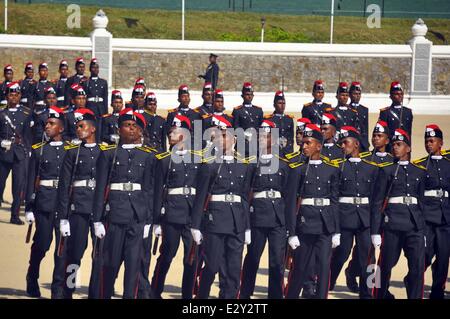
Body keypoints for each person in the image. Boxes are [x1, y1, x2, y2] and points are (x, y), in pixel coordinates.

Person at [92, 108, 156, 299]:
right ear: (119, 129)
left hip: (137, 217)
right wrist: (97, 220)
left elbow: (149, 191)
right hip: (114, 215)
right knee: (109, 264)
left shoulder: (147, 156)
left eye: (135, 127)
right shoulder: (109, 154)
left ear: (140, 132)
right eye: (127, 125)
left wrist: (148, 221)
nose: (131, 129)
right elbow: (100, 188)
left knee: (134, 266)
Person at [190, 125, 253, 299]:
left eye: (226, 136)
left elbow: (244, 197)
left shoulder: (244, 166)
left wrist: (247, 226)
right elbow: (200, 197)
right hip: (215, 221)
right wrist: (195, 226)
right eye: (218, 137)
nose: (222, 139)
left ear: (234, 139)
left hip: (237, 222)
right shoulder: (208, 165)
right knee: (211, 266)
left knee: (233, 269)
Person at [284, 123, 340, 299]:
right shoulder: (297, 170)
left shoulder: (331, 169)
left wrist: (336, 230)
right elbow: (291, 203)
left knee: (324, 267)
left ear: (319, 146)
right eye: (304, 143)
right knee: (300, 267)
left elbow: (334, 201)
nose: (304, 146)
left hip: (325, 226)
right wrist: (291, 233)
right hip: (305, 225)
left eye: (309, 143)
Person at [151, 115, 201, 299]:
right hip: (171, 214)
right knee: (166, 256)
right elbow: (158, 192)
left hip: (191, 216)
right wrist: (156, 221)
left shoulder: (199, 159)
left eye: (175, 132)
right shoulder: (164, 160)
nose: (170, 134)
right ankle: (155, 292)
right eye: (170, 131)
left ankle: (188, 296)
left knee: (191, 259)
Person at [239, 119, 291, 299]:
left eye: (266, 136)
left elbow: (289, 196)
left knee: (277, 262)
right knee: (252, 258)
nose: (261, 139)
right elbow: (246, 195)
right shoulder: (251, 164)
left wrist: (289, 226)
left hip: (278, 218)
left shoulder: (284, 165)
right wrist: (245, 223)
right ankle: (244, 294)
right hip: (257, 216)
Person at [372, 129, 426, 299]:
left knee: (417, 267)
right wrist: (375, 231)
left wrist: (423, 229)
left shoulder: (419, 171)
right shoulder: (386, 171)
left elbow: (422, 202)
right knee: (384, 265)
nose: (394, 148)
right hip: (393, 224)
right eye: (393, 144)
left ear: (408, 148)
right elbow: (377, 202)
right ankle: (378, 294)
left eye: (399, 145)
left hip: (414, 226)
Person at [52, 108, 101, 299]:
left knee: (99, 256)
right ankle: (68, 290)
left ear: (92, 129)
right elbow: (64, 187)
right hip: (78, 208)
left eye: (82, 126)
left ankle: (95, 294)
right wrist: (63, 217)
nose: (78, 129)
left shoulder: (104, 152)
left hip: (97, 210)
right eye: (77, 126)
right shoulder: (72, 153)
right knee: (75, 254)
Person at [328, 126, 378, 299]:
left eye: (345, 142)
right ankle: (329, 281)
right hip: (345, 217)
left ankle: (370, 291)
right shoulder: (338, 167)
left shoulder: (371, 168)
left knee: (369, 256)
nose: (342, 146)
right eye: (341, 143)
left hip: (365, 218)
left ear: (356, 144)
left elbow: (375, 200)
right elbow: (334, 198)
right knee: (341, 253)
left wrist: (376, 227)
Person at [24, 106, 67, 298]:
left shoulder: (71, 150)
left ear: (61, 128)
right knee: (42, 243)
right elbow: (31, 178)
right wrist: (29, 206)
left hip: (64, 204)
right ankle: (32, 275)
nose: (47, 127)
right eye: (46, 123)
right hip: (45, 202)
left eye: (51, 124)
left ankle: (58, 288)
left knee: (62, 248)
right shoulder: (39, 150)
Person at [412, 124, 450, 299]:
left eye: (432, 141)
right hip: (428, 217)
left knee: (443, 258)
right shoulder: (419, 166)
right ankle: (411, 280)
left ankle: (437, 292)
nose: (428, 144)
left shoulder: (448, 164)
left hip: (446, 218)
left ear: (440, 143)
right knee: (424, 256)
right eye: (426, 141)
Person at [0, 82, 32, 225]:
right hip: (3, 152)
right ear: (7, 96)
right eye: (11, 95)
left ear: (19, 96)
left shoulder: (26, 113)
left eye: (16, 95)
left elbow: (28, 135)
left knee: (18, 186)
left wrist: (29, 151)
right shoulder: (2, 113)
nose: (13, 97)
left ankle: (14, 215)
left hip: (20, 153)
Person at [378, 82, 413, 148]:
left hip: (404, 147)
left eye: (401, 94)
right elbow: (383, 132)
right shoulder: (385, 112)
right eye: (397, 94)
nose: (400, 96)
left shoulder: (408, 112)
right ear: (391, 96)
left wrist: (409, 147)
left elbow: (409, 132)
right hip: (391, 146)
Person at [83, 58, 108, 141]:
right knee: (91, 127)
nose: (95, 69)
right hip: (90, 107)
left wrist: (106, 112)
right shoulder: (86, 82)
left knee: (100, 128)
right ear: (90, 69)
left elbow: (105, 97)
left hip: (100, 108)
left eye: (97, 68)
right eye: (93, 67)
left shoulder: (103, 82)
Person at [263, 91, 295, 156]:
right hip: (274, 152)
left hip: (287, 152)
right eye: (279, 103)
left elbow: (291, 139)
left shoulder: (289, 119)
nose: (282, 105)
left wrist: (290, 152)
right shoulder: (268, 119)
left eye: (284, 103)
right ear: (274, 104)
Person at [349, 82, 369, 151]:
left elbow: (365, 129)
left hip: (362, 143)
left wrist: (366, 144)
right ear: (350, 95)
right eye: (355, 94)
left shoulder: (364, 110)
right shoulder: (347, 108)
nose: (357, 96)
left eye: (359, 94)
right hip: (350, 141)